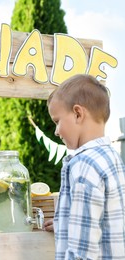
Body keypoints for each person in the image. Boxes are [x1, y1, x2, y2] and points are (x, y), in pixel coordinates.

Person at [46, 74, 125, 259]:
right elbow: (106, 217)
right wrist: (64, 224)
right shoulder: (112, 157)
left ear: (78, 114)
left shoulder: (84, 166)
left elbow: (82, 250)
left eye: (57, 121)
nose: (56, 131)